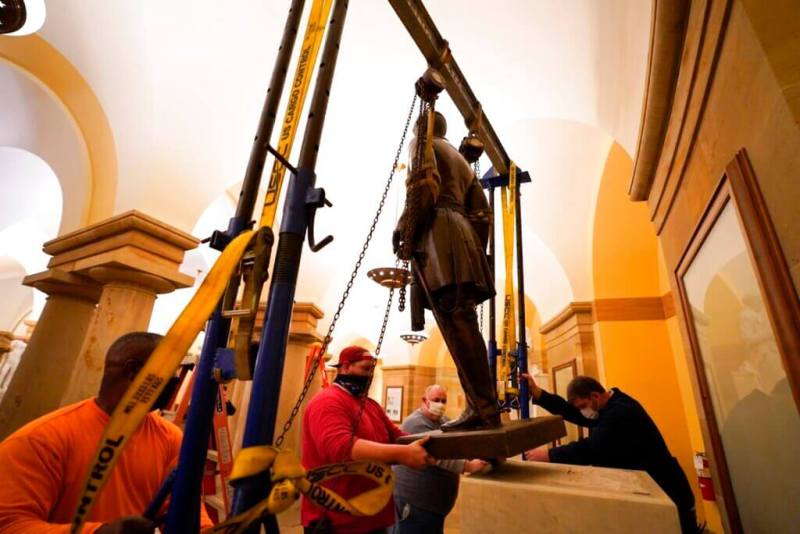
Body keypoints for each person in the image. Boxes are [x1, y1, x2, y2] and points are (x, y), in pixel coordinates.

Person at [0, 331, 212, 533]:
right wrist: (100, 532)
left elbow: (180, 504)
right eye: (170, 373)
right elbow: (9, 525)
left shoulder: (169, 437)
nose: (175, 383)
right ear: (133, 372)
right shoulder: (42, 439)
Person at [394, 110, 499, 432]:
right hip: (462, 236)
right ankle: (483, 405)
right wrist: (475, 250)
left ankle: (483, 408)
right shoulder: (462, 160)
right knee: (463, 322)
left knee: (457, 323)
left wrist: (404, 230)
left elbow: (422, 184)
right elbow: (482, 214)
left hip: (439, 235)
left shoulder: (421, 143)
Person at [521, 373, 698, 533]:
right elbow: (573, 413)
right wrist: (539, 394)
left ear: (594, 396)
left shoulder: (621, 411)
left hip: (668, 493)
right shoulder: (606, 406)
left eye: (583, 406)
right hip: (653, 493)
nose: (583, 411)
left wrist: (549, 455)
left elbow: (593, 448)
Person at [301, 345, 435, 534]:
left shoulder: (370, 405)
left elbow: (397, 437)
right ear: (345, 367)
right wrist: (404, 454)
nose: (369, 376)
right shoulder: (327, 402)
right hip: (337, 519)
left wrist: (439, 443)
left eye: (372, 370)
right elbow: (342, 448)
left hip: (373, 516)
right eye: (365, 369)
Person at [392, 385, 488, 534]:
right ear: (424, 401)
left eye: (444, 401)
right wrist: (468, 466)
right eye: (436, 400)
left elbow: (457, 441)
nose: (440, 404)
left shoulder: (444, 421)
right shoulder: (415, 423)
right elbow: (435, 453)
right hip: (416, 503)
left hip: (434, 506)